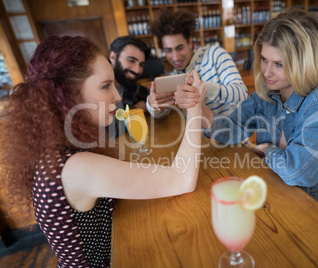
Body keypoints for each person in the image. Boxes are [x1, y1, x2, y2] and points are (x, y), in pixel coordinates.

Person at [0, 36, 205, 267]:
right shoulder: (75, 167)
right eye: (106, 86)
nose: (117, 97)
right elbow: (183, 179)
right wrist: (195, 105)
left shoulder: (56, 151)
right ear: (67, 93)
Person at [175, 9, 318, 222]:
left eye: (278, 64)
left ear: (305, 63)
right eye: (264, 60)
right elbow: (232, 128)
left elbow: (299, 172)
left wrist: (269, 150)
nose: (266, 72)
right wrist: (198, 104)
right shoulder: (269, 93)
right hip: (282, 199)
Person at [146, 8, 248, 119]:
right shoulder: (173, 77)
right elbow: (162, 112)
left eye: (180, 48)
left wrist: (203, 88)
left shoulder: (215, 54)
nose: (176, 57)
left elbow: (241, 93)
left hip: (228, 131)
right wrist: (152, 103)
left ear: (189, 42)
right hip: (198, 134)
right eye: (169, 50)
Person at [108, 36, 151, 137]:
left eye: (141, 64)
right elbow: (109, 132)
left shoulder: (129, 84)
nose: (137, 70)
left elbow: (151, 97)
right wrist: (135, 110)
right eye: (131, 60)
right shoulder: (98, 88)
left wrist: (149, 103)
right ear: (113, 57)